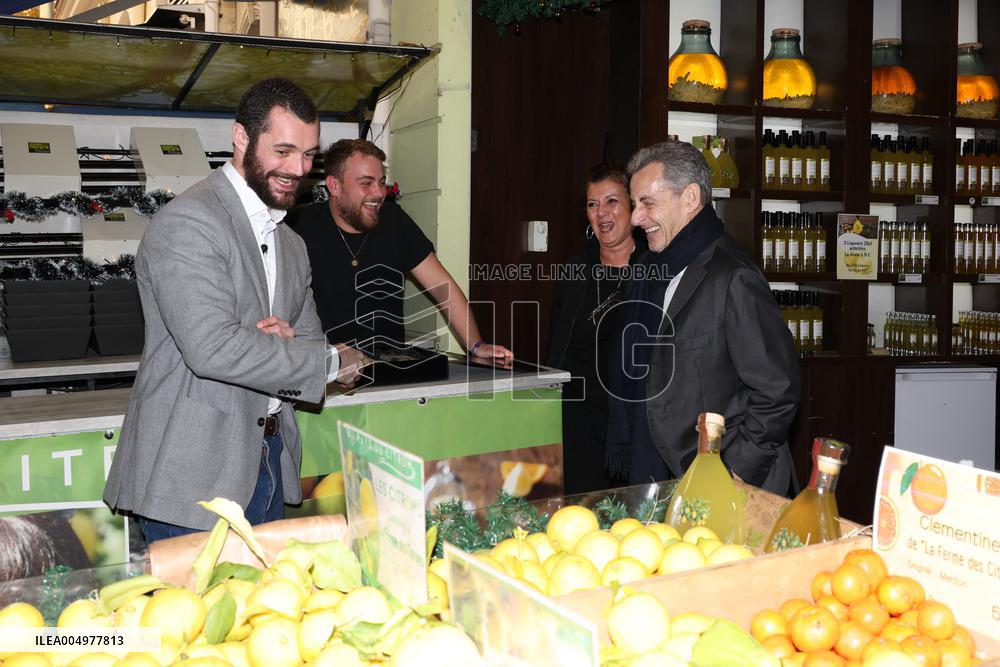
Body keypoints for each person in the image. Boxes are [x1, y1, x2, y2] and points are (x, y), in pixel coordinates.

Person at [104, 78, 367, 544]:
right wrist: (328, 362)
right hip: (192, 476)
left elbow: (305, 339)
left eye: (308, 155)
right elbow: (211, 348)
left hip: (268, 462)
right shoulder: (188, 222)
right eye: (282, 151)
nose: (297, 168)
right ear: (241, 138)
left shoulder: (291, 242)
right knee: (194, 617)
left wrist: (301, 354)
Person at [605, 141, 800, 496]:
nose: (634, 218)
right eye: (634, 205)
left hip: (721, 484)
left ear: (691, 198)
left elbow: (777, 389)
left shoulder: (734, 276)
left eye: (647, 203)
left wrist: (735, 470)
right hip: (658, 475)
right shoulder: (647, 270)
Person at [289, 139, 513, 362]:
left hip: (390, 366)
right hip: (328, 368)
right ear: (334, 186)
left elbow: (442, 288)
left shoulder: (394, 220)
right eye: (366, 183)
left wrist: (476, 345)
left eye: (381, 182)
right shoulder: (302, 228)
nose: (378, 193)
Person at [546, 162, 645, 494]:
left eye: (612, 201)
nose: (602, 212)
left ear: (633, 206)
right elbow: (557, 348)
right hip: (579, 420)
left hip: (635, 419)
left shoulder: (655, 269)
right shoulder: (574, 272)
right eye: (592, 204)